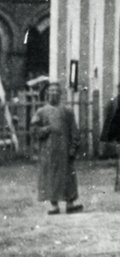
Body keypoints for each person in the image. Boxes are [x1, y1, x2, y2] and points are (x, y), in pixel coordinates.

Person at [34, 84, 83, 215]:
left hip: (65, 150)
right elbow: (35, 130)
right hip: (48, 151)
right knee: (50, 177)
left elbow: (74, 131)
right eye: (51, 91)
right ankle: (54, 204)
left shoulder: (67, 111)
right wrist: (45, 129)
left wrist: (73, 147)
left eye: (57, 91)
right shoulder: (41, 112)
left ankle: (70, 203)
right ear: (47, 94)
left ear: (60, 94)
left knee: (68, 176)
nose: (54, 93)